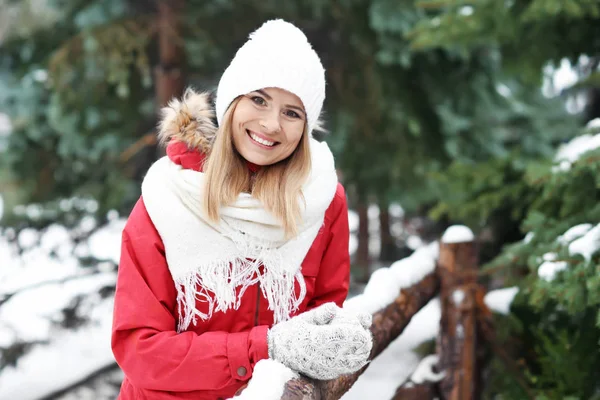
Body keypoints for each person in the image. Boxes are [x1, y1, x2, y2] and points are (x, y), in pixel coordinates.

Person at [111, 19, 372, 400]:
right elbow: (140, 351)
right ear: (232, 100)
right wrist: (265, 347)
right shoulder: (167, 198)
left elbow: (320, 320)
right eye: (259, 99)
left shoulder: (321, 200)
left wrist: (341, 334)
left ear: (306, 127)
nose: (270, 124)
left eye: (292, 112)